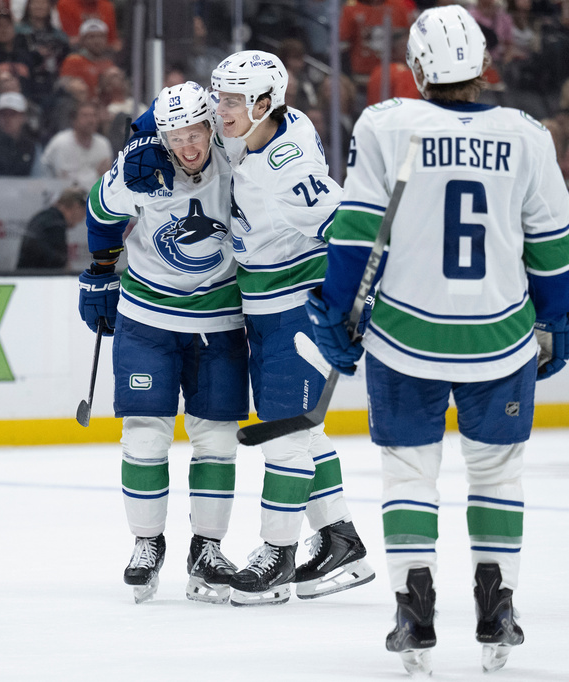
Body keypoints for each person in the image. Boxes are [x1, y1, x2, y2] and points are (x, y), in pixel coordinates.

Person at [305, 6, 569, 675]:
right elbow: (553, 249)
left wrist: (337, 314)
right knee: (497, 474)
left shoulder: (387, 123)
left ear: (419, 66)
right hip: (500, 335)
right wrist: (557, 320)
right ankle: (497, 608)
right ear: (485, 63)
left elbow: (356, 233)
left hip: (407, 335)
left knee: (408, 472)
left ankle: (414, 612)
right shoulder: (529, 134)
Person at [122, 52, 375, 607]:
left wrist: (363, 293)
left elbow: (352, 224)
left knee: (285, 433)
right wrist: (143, 132)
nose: (220, 110)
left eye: (232, 101)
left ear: (264, 103)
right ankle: (341, 539)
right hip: (260, 306)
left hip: (294, 308)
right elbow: (181, 117)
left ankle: (277, 555)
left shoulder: (283, 170)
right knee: (303, 431)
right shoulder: (266, 125)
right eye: (221, 97)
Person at [77, 81, 248, 605]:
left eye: (195, 132)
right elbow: (100, 211)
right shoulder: (141, 165)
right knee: (146, 434)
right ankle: (146, 544)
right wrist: (102, 271)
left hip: (220, 318)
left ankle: (208, 549)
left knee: (216, 439)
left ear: (211, 126)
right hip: (148, 316)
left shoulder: (239, 155)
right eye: (175, 135)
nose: (187, 146)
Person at [42, 99, 113, 188]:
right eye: (85, 116)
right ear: (74, 120)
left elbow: (106, 180)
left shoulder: (103, 144)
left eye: (94, 115)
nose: (91, 120)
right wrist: (96, 174)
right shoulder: (61, 143)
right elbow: (66, 184)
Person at [0, 91, 44, 176]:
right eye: (3, 114)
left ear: (23, 117)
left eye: (13, 114)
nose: (7, 119)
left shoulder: (33, 148)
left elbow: (37, 181)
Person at [17, 186, 86, 268]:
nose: (83, 217)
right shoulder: (55, 225)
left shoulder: (45, 217)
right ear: (76, 207)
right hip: (37, 277)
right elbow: (58, 264)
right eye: (84, 212)